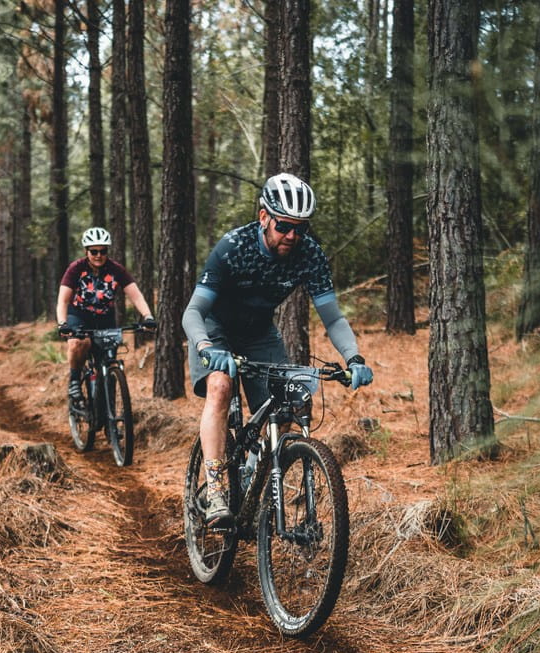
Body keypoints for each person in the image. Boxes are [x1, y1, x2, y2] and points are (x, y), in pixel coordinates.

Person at [181, 173, 374, 525]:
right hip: (214, 329)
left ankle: (255, 481)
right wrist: (207, 346)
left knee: (292, 402)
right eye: (284, 226)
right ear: (264, 217)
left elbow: (331, 317)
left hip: (258, 334)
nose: (292, 236)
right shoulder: (233, 247)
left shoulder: (308, 254)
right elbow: (193, 311)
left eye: (301, 228)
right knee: (221, 386)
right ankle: (214, 487)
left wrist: (354, 357)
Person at [56, 227, 156, 401]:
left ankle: (111, 418)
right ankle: (74, 381)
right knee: (79, 342)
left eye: (103, 251)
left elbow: (136, 296)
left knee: (109, 365)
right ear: (86, 251)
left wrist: (148, 317)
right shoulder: (76, 269)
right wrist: (62, 324)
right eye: (93, 251)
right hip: (79, 315)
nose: (98, 255)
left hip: (105, 319)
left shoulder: (116, 269)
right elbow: (63, 301)